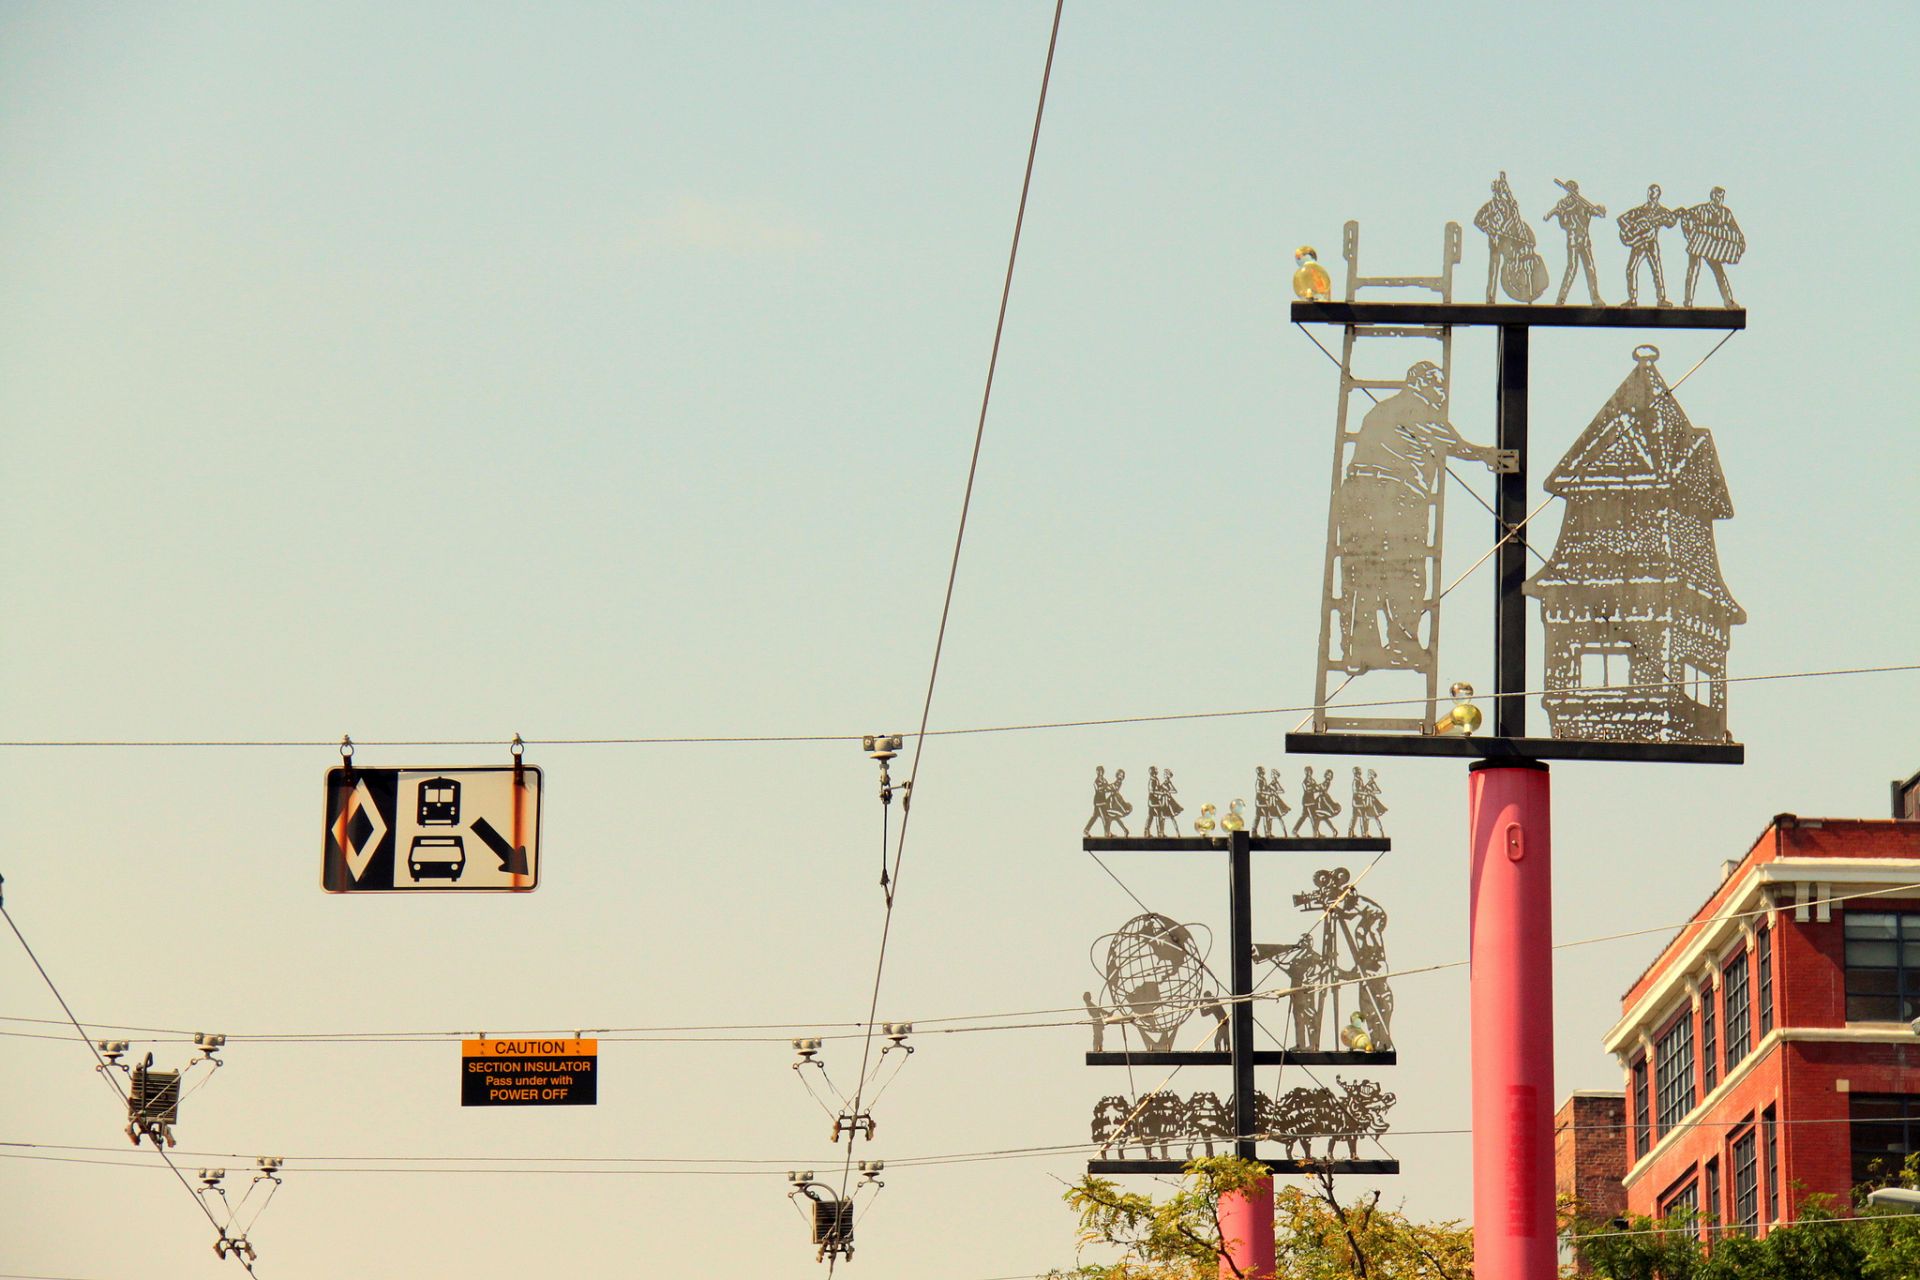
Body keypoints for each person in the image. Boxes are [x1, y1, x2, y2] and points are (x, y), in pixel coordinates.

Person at [1333, 362, 1501, 671]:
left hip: (1357, 493)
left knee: (1360, 569)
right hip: (1396, 495)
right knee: (1405, 568)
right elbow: (1454, 445)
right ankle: (1403, 645)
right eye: (1437, 386)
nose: (1441, 394)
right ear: (1420, 383)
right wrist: (1487, 454)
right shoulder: (1416, 408)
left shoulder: (1380, 410)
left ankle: (1358, 649)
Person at [1542, 179, 1607, 305]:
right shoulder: (1564, 203)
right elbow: (1555, 213)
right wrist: (1551, 213)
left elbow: (1597, 212)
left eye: (1574, 189)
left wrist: (1600, 210)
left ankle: (1595, 298)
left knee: (1590, 268)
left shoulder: (1583, 203)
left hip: (1585, 240)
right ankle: (1561, 299)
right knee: (1572, 268)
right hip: (1573, 240)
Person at [1473, 171, 1533, 303]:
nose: (1499, 194)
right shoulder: (1489, 206)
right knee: (1493, 270)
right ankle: (1491, 298)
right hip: (1495, 242)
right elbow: (1477, 220)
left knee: (1515, 265)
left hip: (1508, 242)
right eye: (1497, 191)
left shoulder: (1509, 205)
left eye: (1501, 191)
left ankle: (1522, 290)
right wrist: (1489, 230)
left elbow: (1515, 221)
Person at [1680, 186, 1744, 308]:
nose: (1720, 199)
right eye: (1718, 196)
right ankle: (1688, 301)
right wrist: (1689, 234)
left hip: (1713, 248)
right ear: (1713, 196)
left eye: (1722, 197)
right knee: (1693, 271)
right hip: (1698, 243)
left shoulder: (1725, 213)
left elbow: (1735, 229)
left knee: (1719, 272)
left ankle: (1728, 301)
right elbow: (1685, 216)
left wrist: (1741, 242)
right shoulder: (1700, 209)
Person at [1617, 184, 1680, 306]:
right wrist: (1632, 227)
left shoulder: (1662, 211)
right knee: (1631, 269)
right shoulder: (1640, 210)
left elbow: (1670, 223)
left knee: (1657, 270)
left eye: (1654, 192)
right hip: (1638, 243)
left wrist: (1673, 217)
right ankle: (1632, 299)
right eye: (1650, 191)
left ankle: (1661, 299)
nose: (1651, 194)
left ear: (1658, 194)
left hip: (1651, 244)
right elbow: (1621, 219)